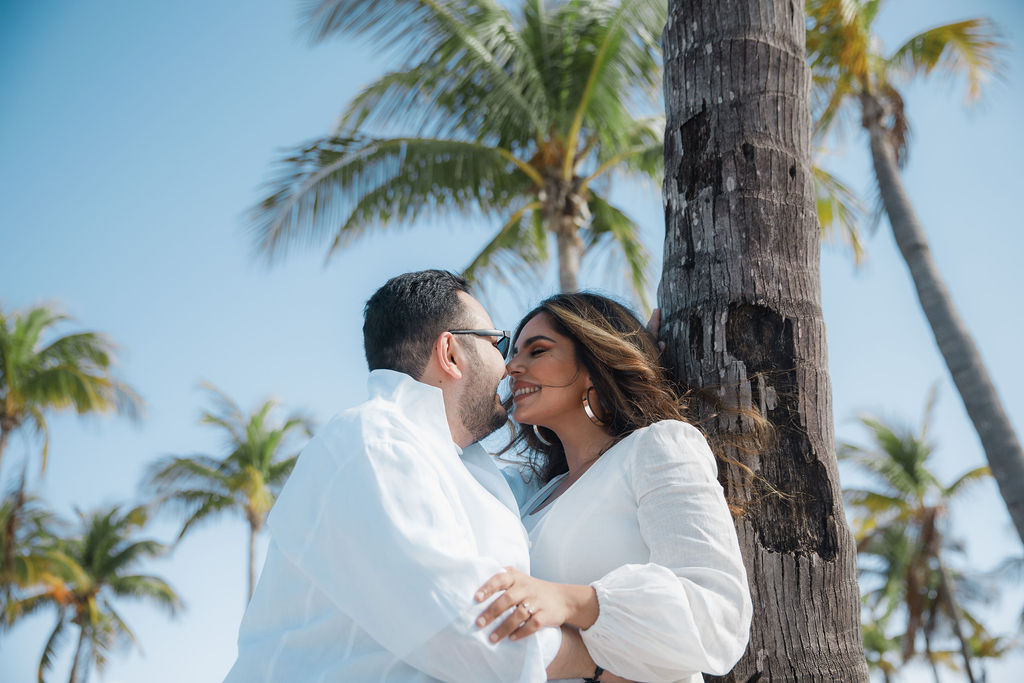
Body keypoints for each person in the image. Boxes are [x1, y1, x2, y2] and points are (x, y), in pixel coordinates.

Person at [223, 271, 606, 682]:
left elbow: (567, 490)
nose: (510, 365)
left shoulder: (464, 467)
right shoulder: (372, 444)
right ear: (451, 353)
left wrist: (622, 363)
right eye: (498, 343)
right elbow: (470, 627)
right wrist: (600, 667)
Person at [473, 293, 753, 683]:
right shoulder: (533, 495)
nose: (512, 367)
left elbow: (718, 618)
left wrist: (571, 602)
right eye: (513, 353)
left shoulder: (659, 447)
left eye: (537, 351)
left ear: (593, 363)